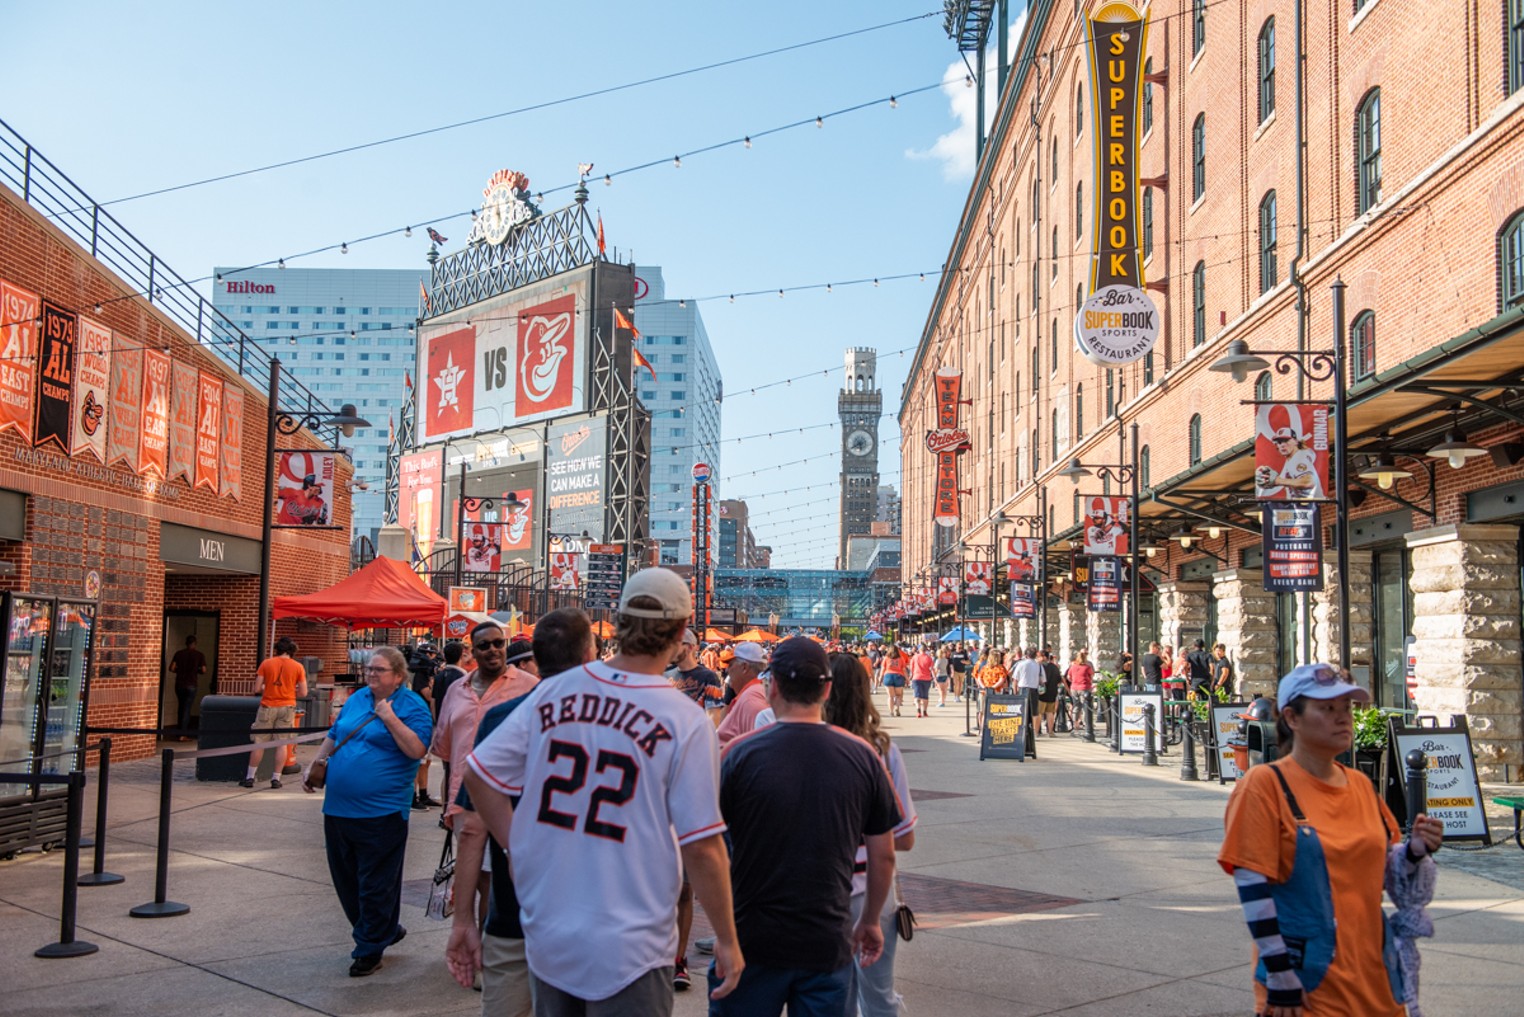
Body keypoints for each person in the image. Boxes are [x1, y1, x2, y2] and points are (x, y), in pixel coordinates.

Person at [463, 567, 742, 1014]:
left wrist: (518, 845)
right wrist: (727, 938)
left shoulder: (557, 691)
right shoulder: (683, 718)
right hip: (632, 944)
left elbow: (478, 773)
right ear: (682, 631)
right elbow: (703, 845)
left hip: (551, 930)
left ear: (618, 622)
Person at [1219, 663, 1443, 1016]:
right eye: (1327, 708)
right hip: (1307, 987)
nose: (1344, 719)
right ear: (1292, 718)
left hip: (1377, 978)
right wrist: (1280, 975)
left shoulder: (1360, 785)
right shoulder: (1264, 785)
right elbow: (1252, 885)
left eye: (1347, 708)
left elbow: (1384, 869)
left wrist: (1416, 850)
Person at [712, 638, 899, 1016]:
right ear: (826, 689)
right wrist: (870, 921)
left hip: (752, 937)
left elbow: (711, 848)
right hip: (826, 940)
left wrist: (721, 931)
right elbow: (885, 855)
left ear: (773, 686)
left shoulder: (739, 754)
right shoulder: (864, 756)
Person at [447, 608, 597, 1017]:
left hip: (515, 911)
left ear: (536, 658)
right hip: (589, 915)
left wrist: (463, 920)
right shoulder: (615, 725)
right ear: (589, 656)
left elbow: (473, 828)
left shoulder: (500, 720)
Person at [303, 646, 432, 976]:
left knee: (375, 884)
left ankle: (369, 947)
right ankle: (383, 929)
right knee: (347, 882)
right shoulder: (359, 697)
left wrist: (389, 718)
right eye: (369, 669)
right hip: (339, 809)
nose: (371, 674)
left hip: (382, 813)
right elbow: (335, 734)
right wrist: (316, 765)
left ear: (398, 676)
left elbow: (417, 749)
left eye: (379, 670)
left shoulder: (412, 705)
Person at [822, 652, 917, 1017]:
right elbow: (904, 837)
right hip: (870, 888)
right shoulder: (881, 751)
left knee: (833, 996)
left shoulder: (807, 746)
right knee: (878, 995)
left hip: (819, 888)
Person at [432, 627, 539, 930]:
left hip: (509, 801)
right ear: (472, 652)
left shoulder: (530, 687)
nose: (493, 650)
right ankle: (482, 949)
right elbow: (446, 751)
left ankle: (490, 952)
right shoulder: (457, 690)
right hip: (464, 802)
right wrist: (448, 805)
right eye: (484, 645)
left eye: (498, 644)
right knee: (478, 879)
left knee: (498, 882)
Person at [244, 636, 307, 789]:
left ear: (277, 649)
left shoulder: (266, 663)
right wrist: (290, 690)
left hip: (267, 706)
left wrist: (268, 688)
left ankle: (250, 777)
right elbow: (303, 692)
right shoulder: (298, 667)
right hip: (287, 707)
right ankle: (276, 779)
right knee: (282, 744)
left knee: (259, 743)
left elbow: (257, 689)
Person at [716, 642, 769, 744]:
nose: (727, 670)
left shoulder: (751, 700)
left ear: (744, 667)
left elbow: (756, 748)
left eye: (731, 665)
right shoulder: (751, 695)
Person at [670, 628, 724, 709]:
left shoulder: (709, 677)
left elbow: (713, 717)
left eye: (675, 644)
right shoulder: (664, 675)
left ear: (689, 647)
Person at [168, 634, 206, 738]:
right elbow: (203, 670)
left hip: (179, 684)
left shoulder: (179, 654)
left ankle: (179, 731)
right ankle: (183, 734)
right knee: (187, 708)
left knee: (181, 707)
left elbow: (171, 668)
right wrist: (196, 671)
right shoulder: (199, 655)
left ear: (186, 643)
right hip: (191, 684)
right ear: (195, 644)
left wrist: (179, 670)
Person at [879, 642, 909, 717]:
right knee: (898, 695)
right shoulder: (901, 658)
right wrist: (907, 679)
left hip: (888, 676)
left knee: (890, 696)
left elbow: (883, 669)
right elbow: (904, 669)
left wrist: (880, 678)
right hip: (899, 676)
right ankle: (897, 708)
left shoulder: (886, 658)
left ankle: (891, 712)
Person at [1037, 650, 1062, 736]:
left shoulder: (1040, 666)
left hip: (1041, 693)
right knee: (1050, 713)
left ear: (1044, 657)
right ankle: (1050, 731)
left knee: (1039, 713)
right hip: (1052, 692)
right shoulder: (1054, 667)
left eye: (1039, 656)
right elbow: (1059, 680)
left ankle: (1036, 732)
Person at [909, 642, 935, 718]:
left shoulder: (915, 657)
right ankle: (925, 711)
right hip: (926, 678)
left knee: (917, 695)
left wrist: (911, 675)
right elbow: (931, 669)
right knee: (925, 696)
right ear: (926, 650)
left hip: (916, 678)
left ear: (919, 650)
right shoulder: (929, 658)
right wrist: (934, 679)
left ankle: (918, 711)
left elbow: (911, 668)